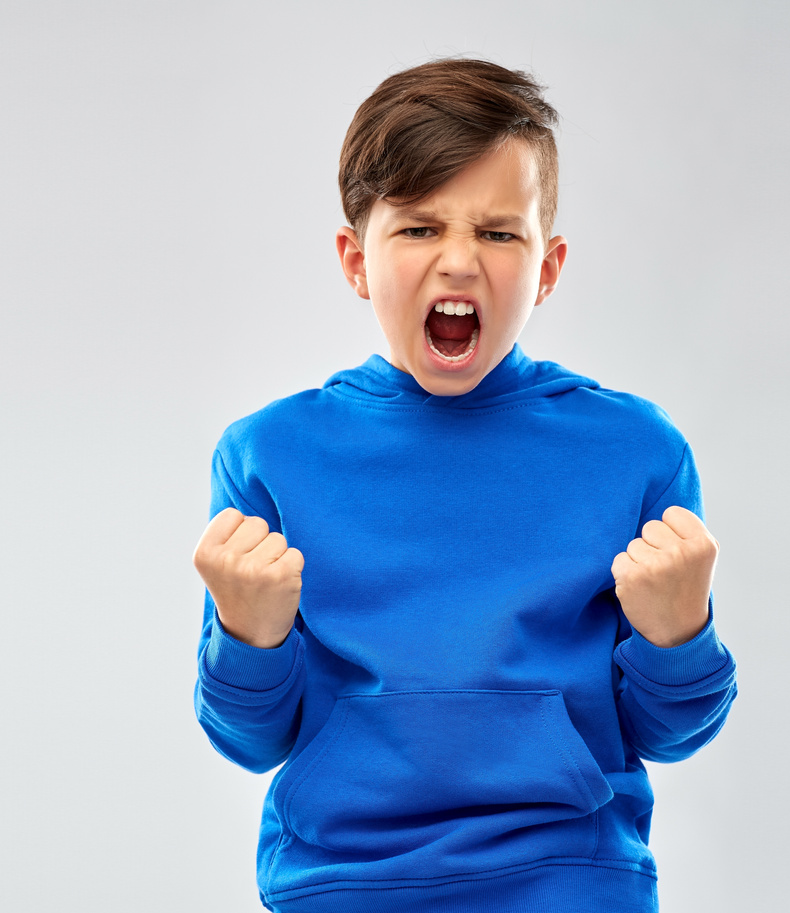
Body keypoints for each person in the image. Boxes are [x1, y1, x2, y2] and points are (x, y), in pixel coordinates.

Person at [193, 58, 737, 913]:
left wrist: (680, 634)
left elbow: (672, 732)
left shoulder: (635, 450)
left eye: (497, 232)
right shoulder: (269, 454)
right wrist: (247, 634)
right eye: (416, 228)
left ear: (547, 267)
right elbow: (249, 738)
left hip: (569, 880)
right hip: (341, 886)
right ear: (354, 258)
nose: (457, 261)